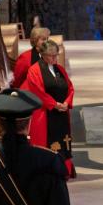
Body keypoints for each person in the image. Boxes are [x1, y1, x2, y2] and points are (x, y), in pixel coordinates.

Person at [24, 39, 75, 178]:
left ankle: (65, 170)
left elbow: (70, 88)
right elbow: (38, 91)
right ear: (42, 55)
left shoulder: (60, 70)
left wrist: (66, 102)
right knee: (46, 143)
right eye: (51, 55)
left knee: (63, 141)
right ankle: (48, 172)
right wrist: (54, 104)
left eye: (56, 55)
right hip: (45, 114)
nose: (54, 58)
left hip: (62, 114)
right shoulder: (34, 70)